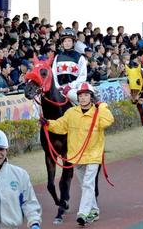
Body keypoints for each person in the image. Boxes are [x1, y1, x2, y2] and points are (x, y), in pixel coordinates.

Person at [41, 83, 114, 226]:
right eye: (80, 95)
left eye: (86, 95)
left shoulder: (99, 112)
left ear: (91, 97)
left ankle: (83, 213)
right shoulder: (71, 113)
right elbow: (61, 126)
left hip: (93, 155)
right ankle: (94, 210)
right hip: (77, 156)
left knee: (87, 184)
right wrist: (47, 123)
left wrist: (102, 106)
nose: (82, 98)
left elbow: (109, 121)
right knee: (85, 185)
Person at [51, 27, 88, 103]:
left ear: (73, 42)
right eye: (65, 41)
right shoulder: (57, 57)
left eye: (69, 41)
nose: (67, 43)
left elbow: (82, 76)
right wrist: (58, 87)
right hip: (59, 88)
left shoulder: (80, 57)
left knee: (73, 95)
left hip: (74, 88)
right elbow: (53, 74)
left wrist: (70, 86)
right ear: (62, 43)